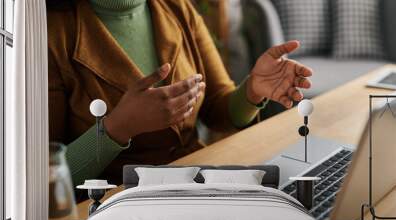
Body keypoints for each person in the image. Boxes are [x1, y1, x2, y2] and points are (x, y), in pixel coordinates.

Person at [47, 0, 312, 198]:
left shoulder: (177, 8)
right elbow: (47, 178)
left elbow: (217, 107)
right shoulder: (50, 33)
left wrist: (253, 90)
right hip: (117, 202)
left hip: (196, 185)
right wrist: (117, 128)